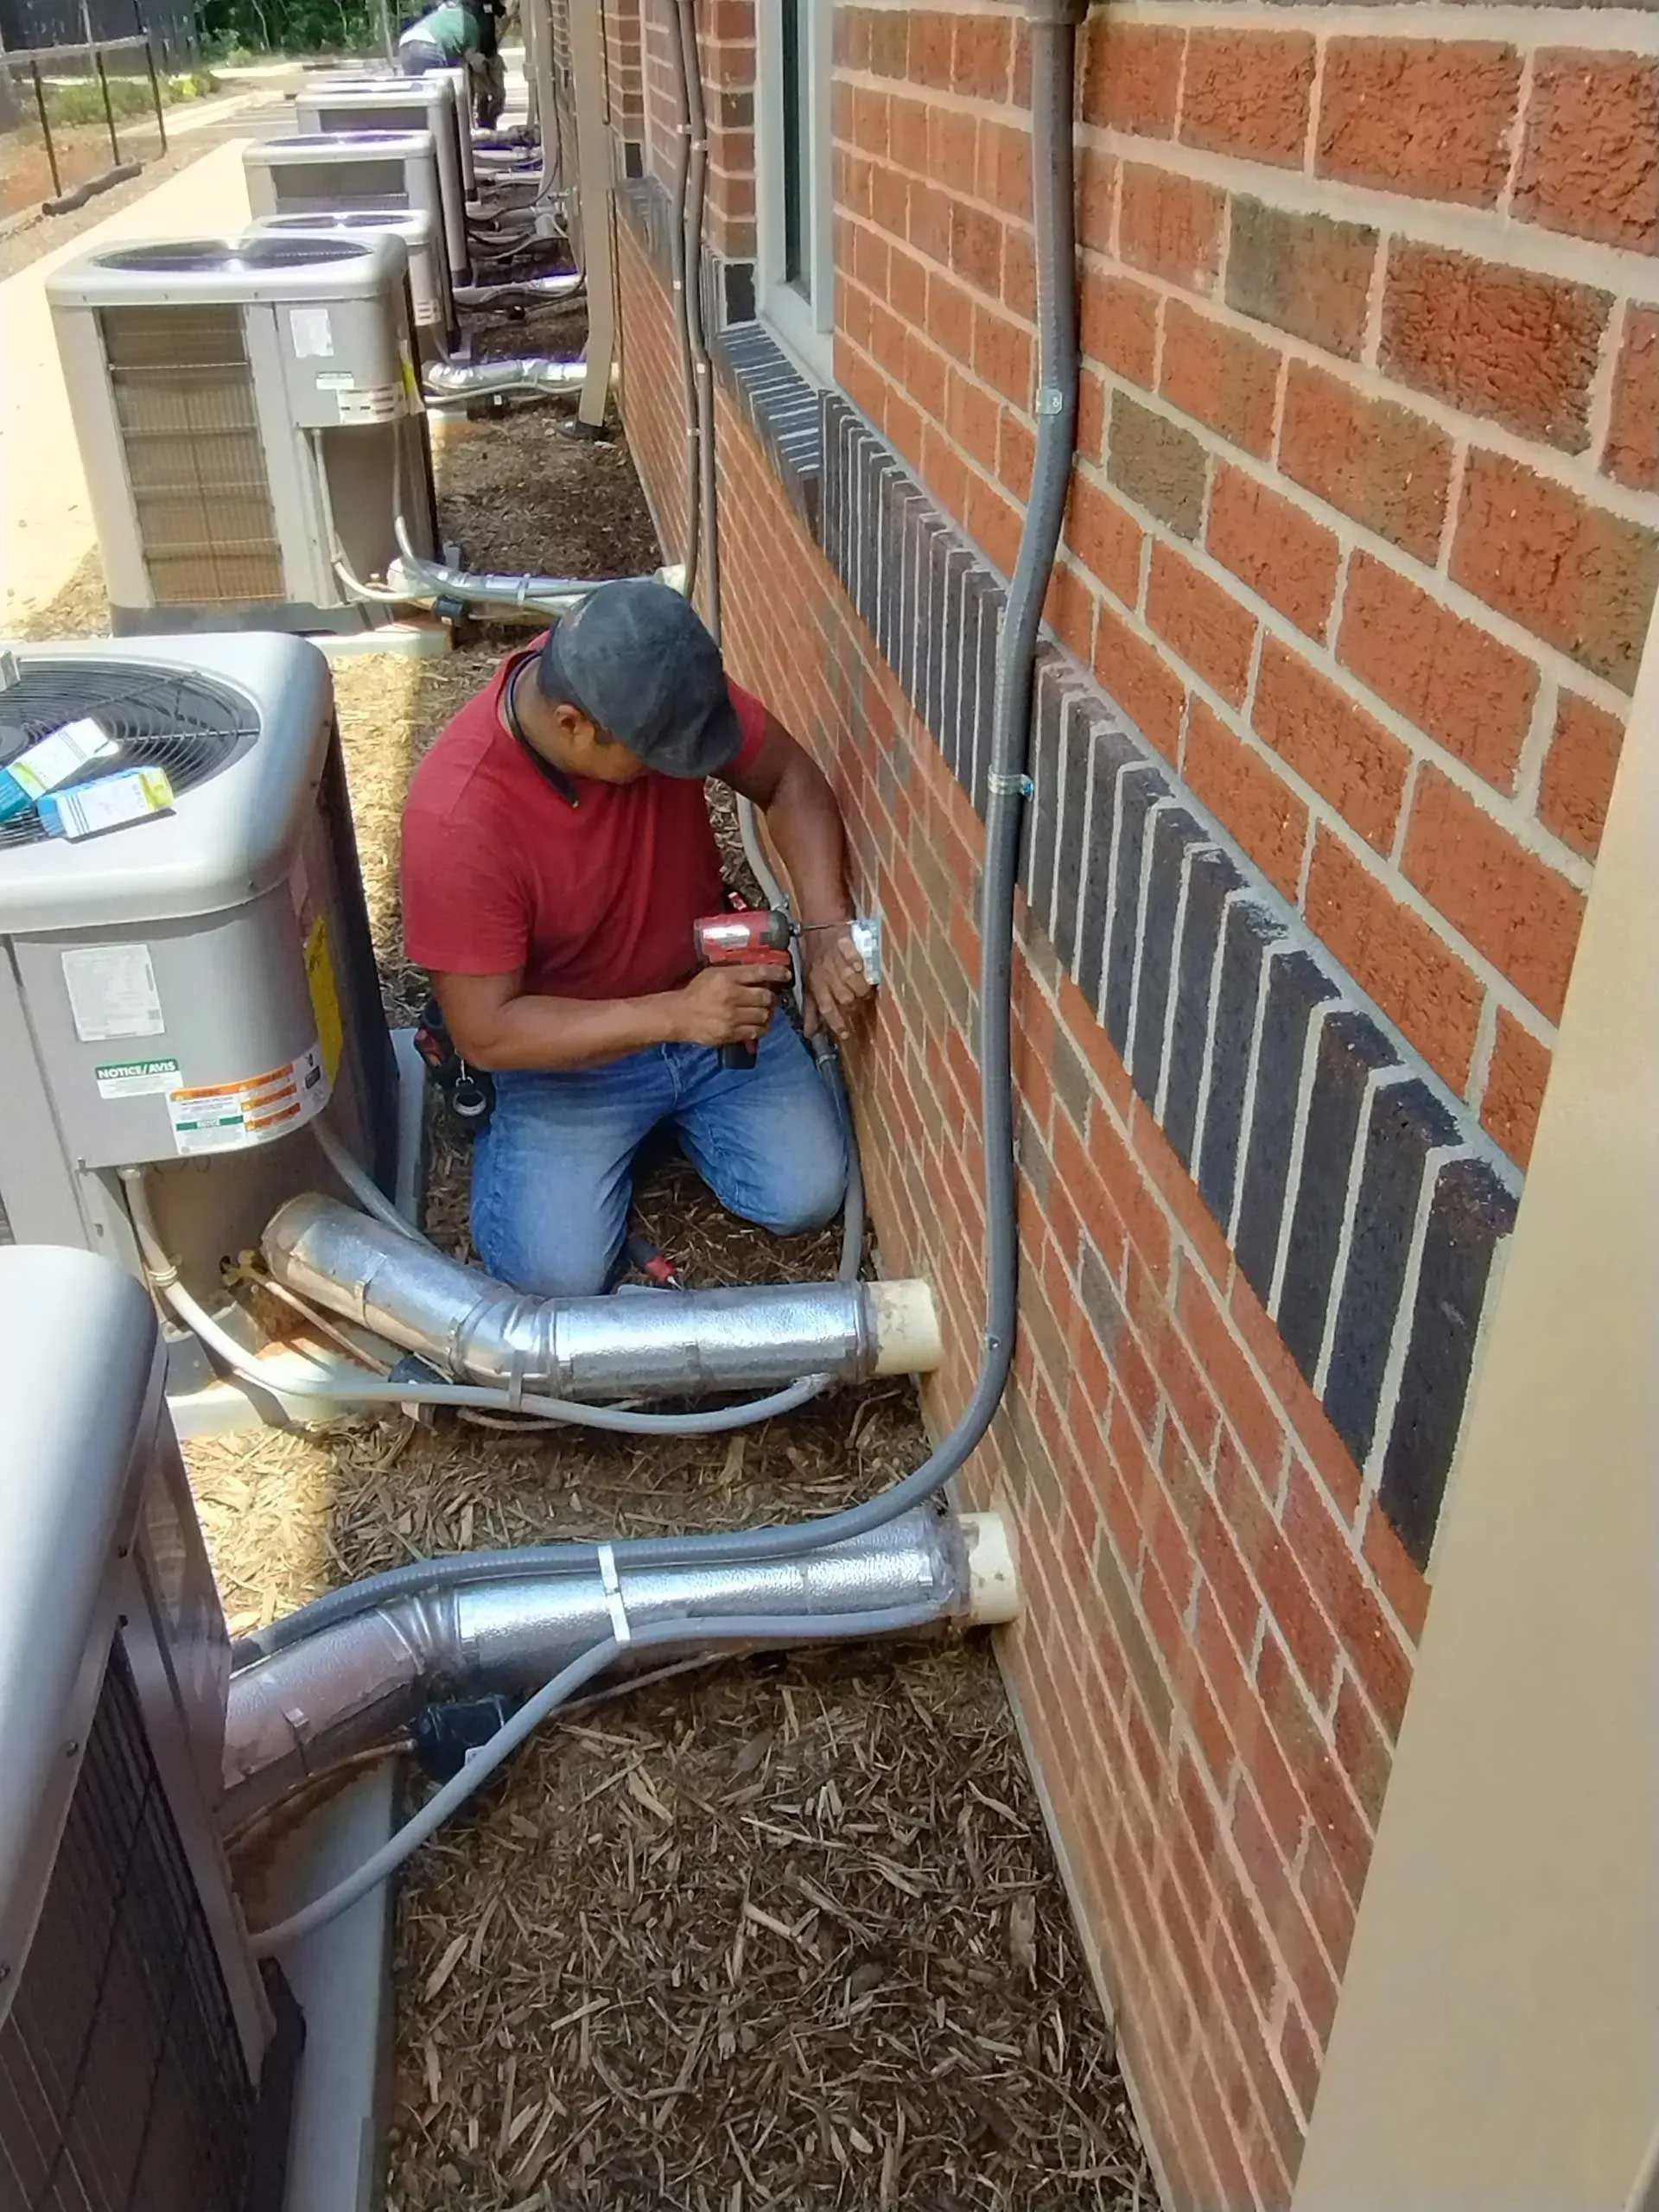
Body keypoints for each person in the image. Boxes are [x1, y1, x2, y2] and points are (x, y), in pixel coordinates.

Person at [400, 580, 875, 1298]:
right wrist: (675, 1015)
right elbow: (486, 1032)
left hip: (709, 1003)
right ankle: (573, 1139)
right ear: (573, 725)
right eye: (656, 757)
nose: (673, 768)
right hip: (569, 1057)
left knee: (805, 1194)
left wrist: (824, 924)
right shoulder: (459, 819)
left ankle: (659, 1124)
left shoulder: (648, 676)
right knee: (554, 1277)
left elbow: (788, 778)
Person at [397, 0, 482, 77]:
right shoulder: (470, 20)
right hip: (428, 45)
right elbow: (472, 58)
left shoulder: (439, 13)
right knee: (439, 85)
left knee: (416, 85)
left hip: (405, 42)